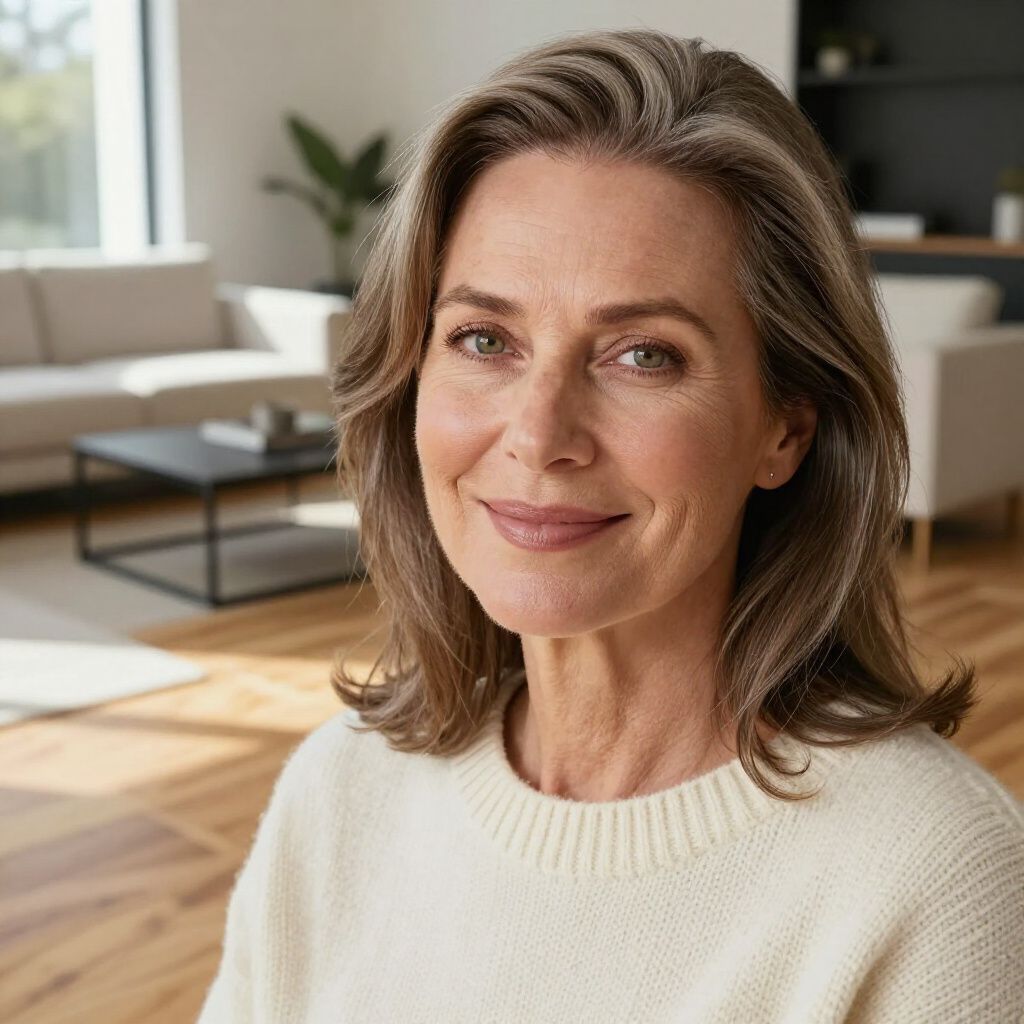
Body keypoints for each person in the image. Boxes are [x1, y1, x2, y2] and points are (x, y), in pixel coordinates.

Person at [197, 28, 1024, 1023]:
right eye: (483, 338)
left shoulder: (932, 876)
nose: (540, 433)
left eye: (644, 356)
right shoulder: (339, 788)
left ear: (783, 428)